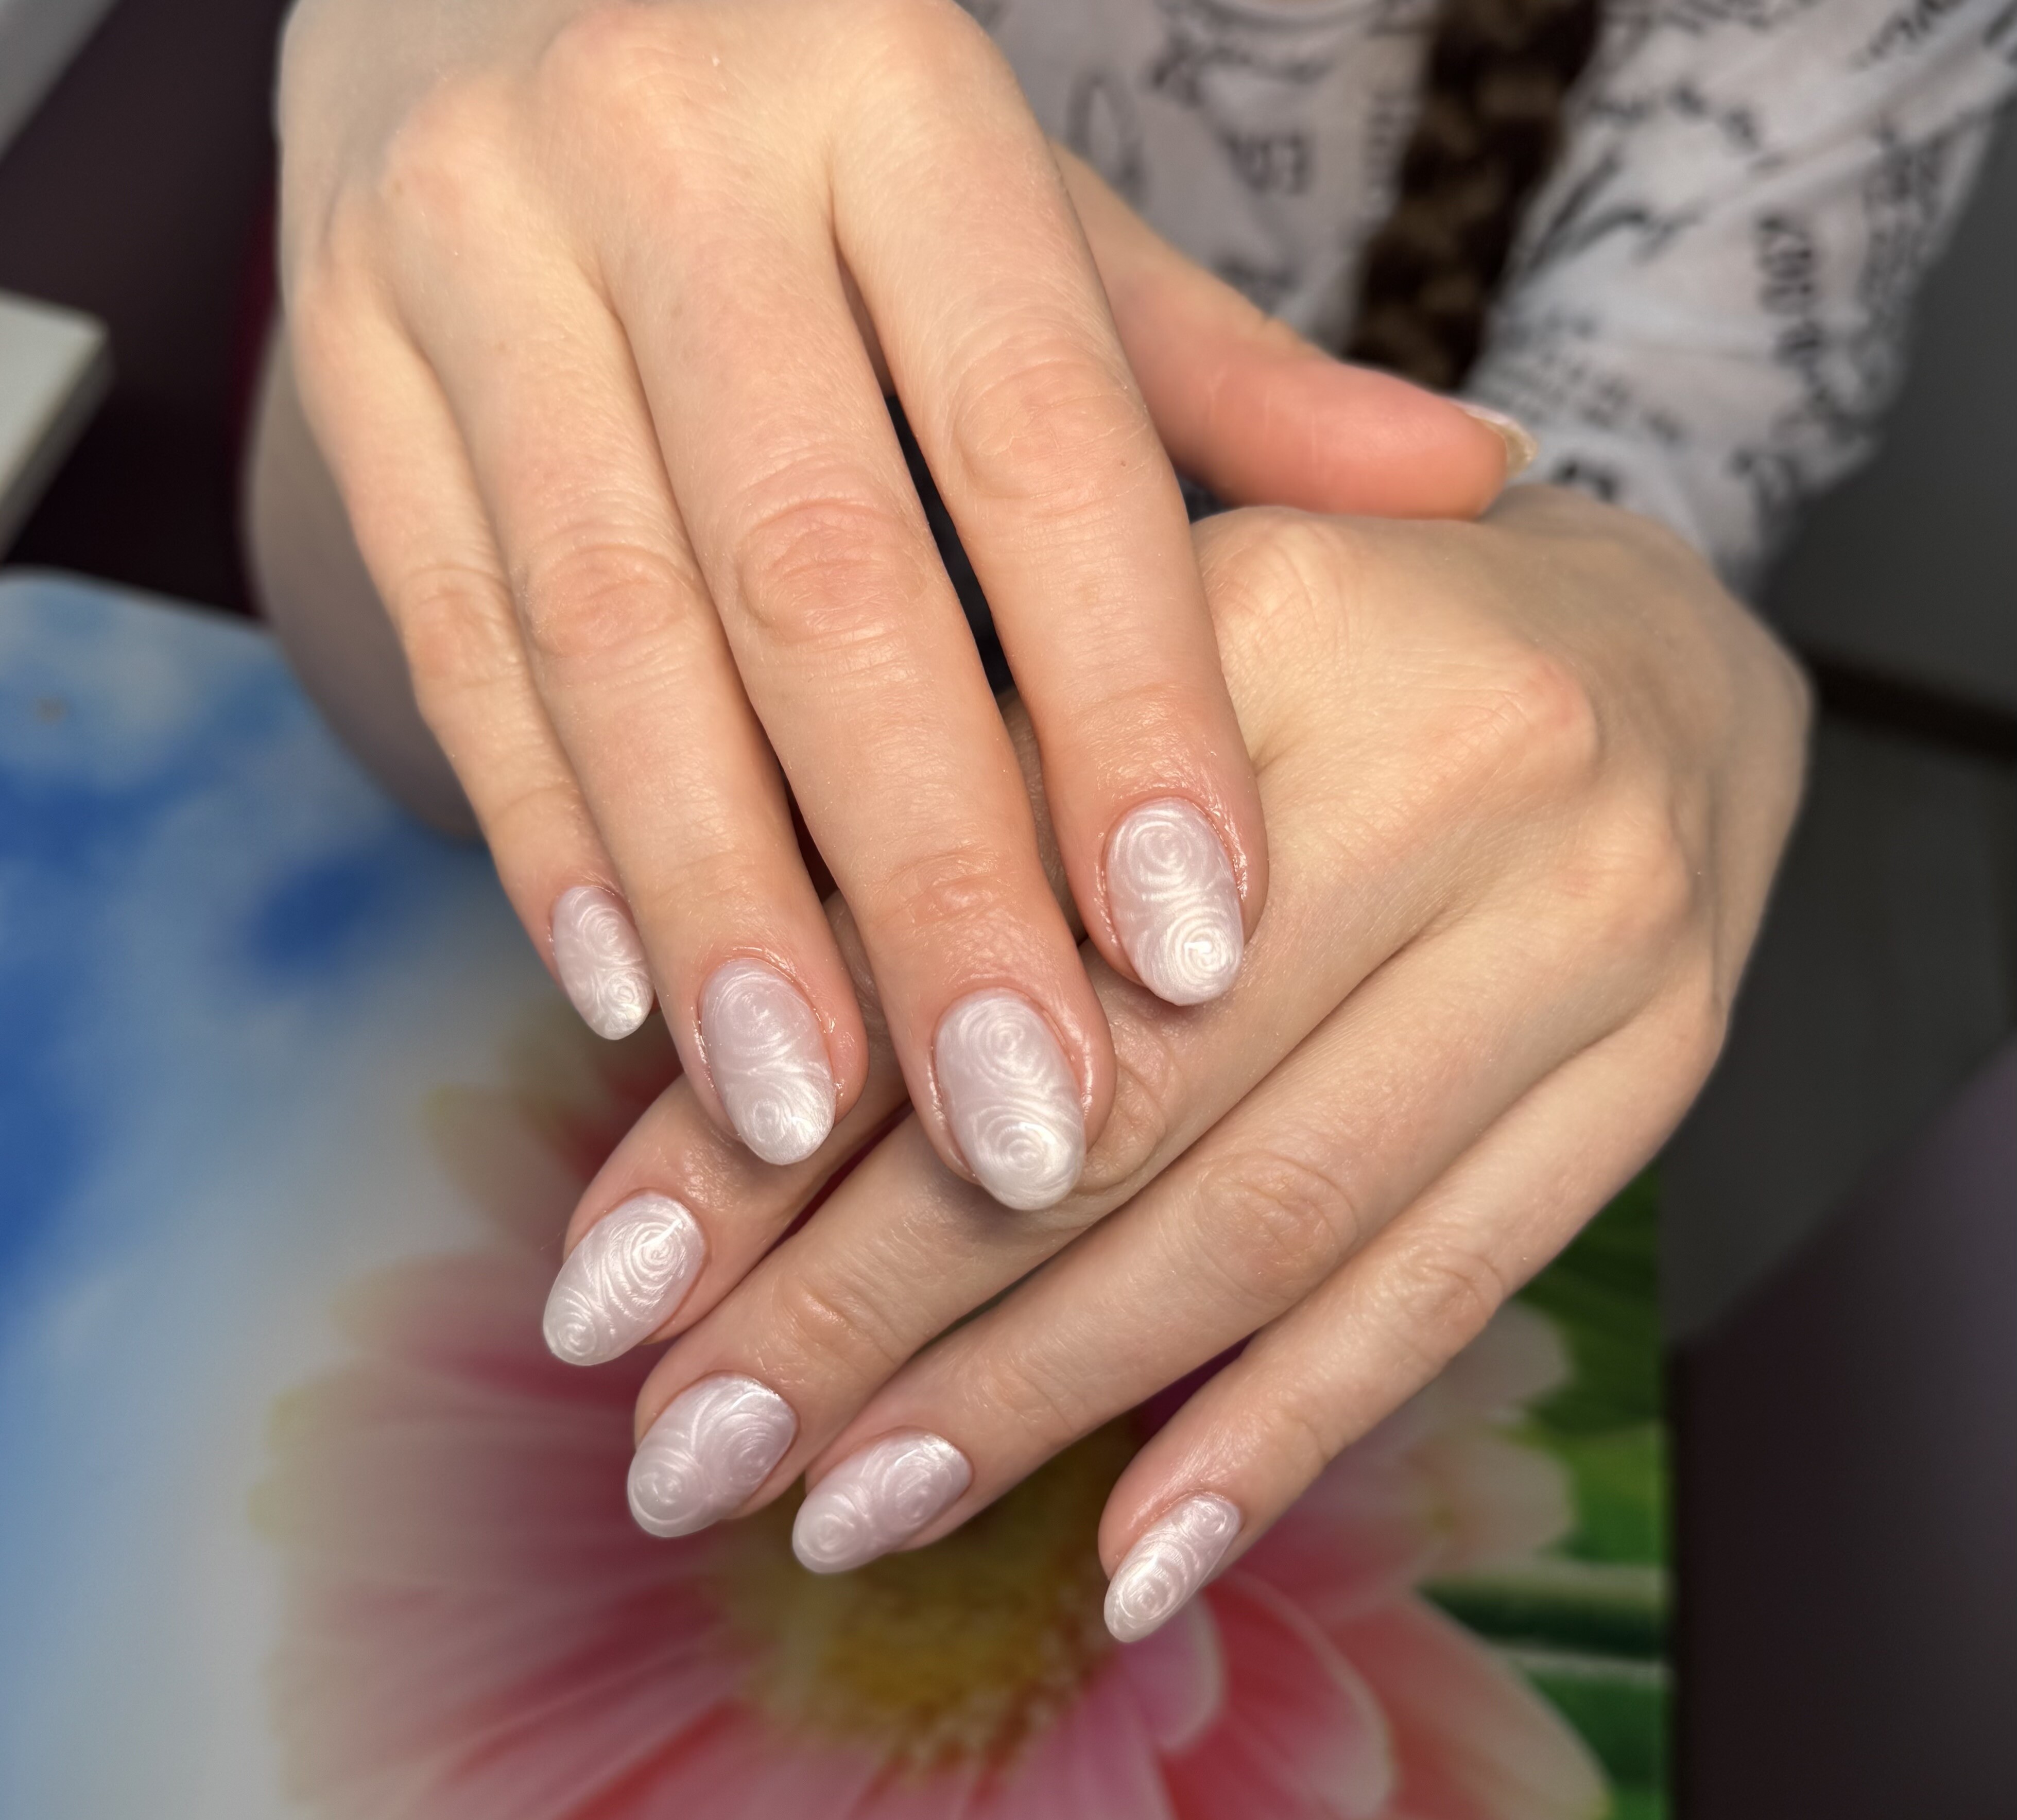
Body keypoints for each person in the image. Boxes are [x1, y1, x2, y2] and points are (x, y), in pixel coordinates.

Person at [248, 0, 2017, 1640]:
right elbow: (407, 746)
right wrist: (404, 67)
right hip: (437, 1060)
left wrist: (1658, 649)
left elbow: (1634, 497)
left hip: (1284, 1103)